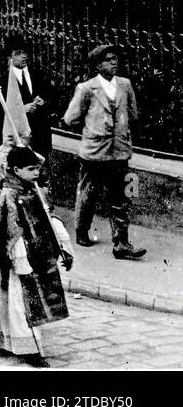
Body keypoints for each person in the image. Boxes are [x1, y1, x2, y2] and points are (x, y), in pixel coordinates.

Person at [0, 145, 73, 368]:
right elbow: (6, 228)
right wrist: (16, 258)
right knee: (18, 302)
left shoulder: (33, 189)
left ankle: (12, 343)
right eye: (31, 169)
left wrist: (64, 247)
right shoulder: (9, 195)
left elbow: (48, 220)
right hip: (16, 258)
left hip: (35, 253)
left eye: (37, 169)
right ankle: (29, 350)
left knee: (23, 302)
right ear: (16, 169)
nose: (36, 173)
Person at [62, 44, 146, 260]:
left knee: (121, 196)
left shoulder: (125, 85)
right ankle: (81, 231)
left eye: (115, 59)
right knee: (89, 193)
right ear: (98, 65)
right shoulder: (87, 88)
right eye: (108, 59)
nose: (114, 62)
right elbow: (70, 118)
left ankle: (121, 243)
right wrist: (93, 127)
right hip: (94, 152)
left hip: (119, 151)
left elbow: (134, 114)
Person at [0, 35, 54, 161]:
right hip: (19, 136)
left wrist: (43, 102)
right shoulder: (3, 81)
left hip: (40, 133)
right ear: (10, 57)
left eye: (24, 53)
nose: (23, 56)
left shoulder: (39, 74)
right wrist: (21, 109)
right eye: (18, 53)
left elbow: (53, 98)